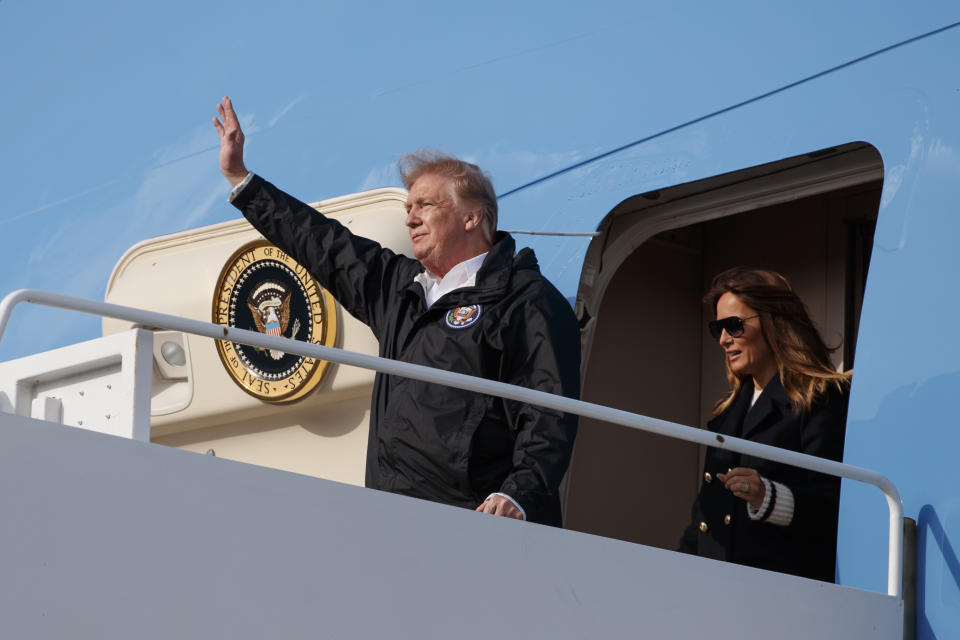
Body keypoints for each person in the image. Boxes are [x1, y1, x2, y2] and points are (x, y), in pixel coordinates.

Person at [213, 96, 579, 526]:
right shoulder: (398, 290)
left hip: (480, 527)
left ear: (472, 217)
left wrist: (519, 495)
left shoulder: (526, 298)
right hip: (389, 525)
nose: (411, 219)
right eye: (408, 209)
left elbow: (549, 408)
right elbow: (322, 243)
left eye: (425, 205)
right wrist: (242, 179)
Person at [678, 267, 850, 581]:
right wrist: (676, 573)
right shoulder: (727, 413)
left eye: (733, 326)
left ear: (773, 322)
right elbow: (705, 516)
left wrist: (769, 497)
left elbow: (840, 503)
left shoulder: (821, 398)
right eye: (717, 328)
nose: (723, 339)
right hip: (715, 587)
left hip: (779, 590)